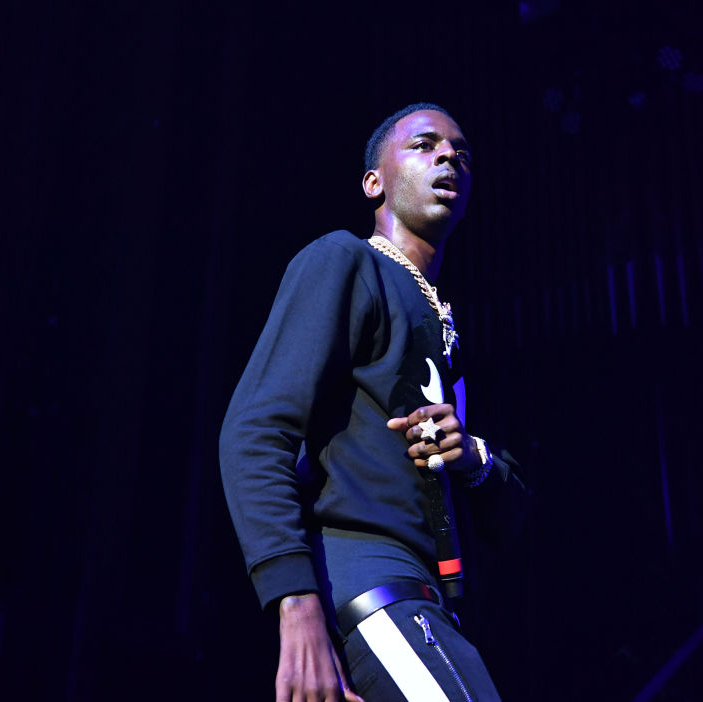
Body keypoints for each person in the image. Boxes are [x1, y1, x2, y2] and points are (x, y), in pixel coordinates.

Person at [220, 102, 527, 701]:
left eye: (461, 152)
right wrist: (297, 609)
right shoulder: (345, 260)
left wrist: (472, 457)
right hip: (375, 591)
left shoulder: (445, 327)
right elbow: (254, 430)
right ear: (374, 182)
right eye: (425, 145)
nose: (448, 156)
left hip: (435, 610)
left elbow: (511, 514)